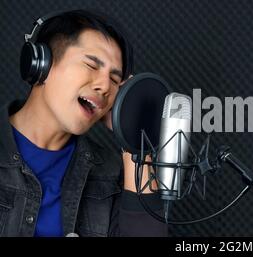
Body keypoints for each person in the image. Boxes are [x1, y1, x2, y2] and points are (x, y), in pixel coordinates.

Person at [0, 9, 167, 237]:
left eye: (115, 80)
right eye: (91, 65)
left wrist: (132, 133)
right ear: (41, 64)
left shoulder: (111, 173)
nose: (105, 86)